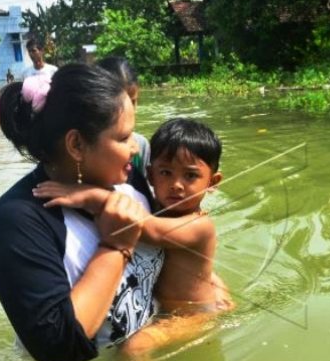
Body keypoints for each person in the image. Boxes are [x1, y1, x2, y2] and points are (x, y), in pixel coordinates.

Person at [0, 64, 163, 361]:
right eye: (123, 138)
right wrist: (115, 247)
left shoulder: (126, 179)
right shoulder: (16, 222)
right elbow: (59, 349)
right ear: (76, 145)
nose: (135, 149)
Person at [35, 117, 224, 315]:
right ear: (150, 175)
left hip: (191, 315)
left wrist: (91, 196)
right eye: (166, 172)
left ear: (213, 182)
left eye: (190, 175)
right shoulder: (154, 205)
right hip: (162, 310)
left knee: (135, 347)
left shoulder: (201, 226)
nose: (176, 184)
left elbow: (150, 229)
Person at [96, 56, 150, 178]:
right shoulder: (89, 148)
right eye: (119, 104)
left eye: (133, 101)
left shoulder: (141, 145)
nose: (128, 109)